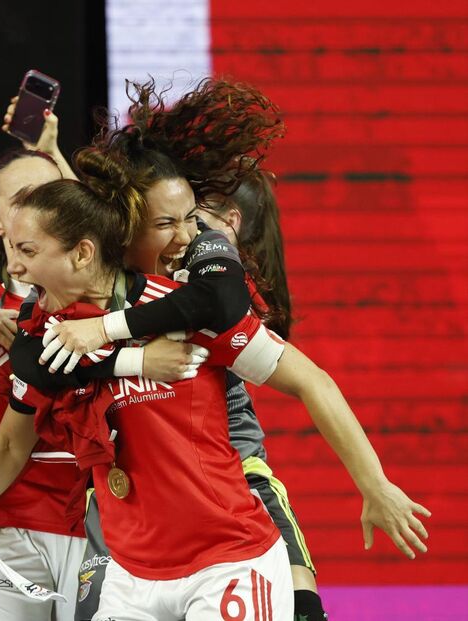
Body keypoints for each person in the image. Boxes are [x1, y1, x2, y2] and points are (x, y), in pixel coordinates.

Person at [29, 80, 429, 621]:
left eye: (188, 218)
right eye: (165, 223)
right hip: (130, 524)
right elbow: (38, 351)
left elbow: (280, 354)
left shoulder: (205, 275)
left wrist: (374, 485)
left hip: (230, 483)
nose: (184, 235)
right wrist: (132, 357)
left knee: (302, 610)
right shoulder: (78, 298)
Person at [0, 170, 295, 620]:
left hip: (226, 549)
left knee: (298, 588)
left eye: (27, 251)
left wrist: (376, 485)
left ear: (84, 251)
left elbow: (306, 376)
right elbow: (23, 400)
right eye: (165, 224)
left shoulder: (193, 299)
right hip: (134, 569)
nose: (16, 267)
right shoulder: (52, 331)